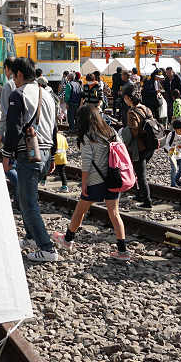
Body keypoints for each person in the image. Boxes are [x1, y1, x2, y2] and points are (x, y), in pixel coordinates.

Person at [51, 104, 130, 261]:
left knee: (80, 210)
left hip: (95, 181)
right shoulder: (111, 131)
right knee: (114, 213)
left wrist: (84, 183)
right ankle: (123, 251)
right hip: (114, 178)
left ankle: (67, 240)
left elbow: (87, 163)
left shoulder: (88, 136)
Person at [2, 56, 59, 263]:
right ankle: (31, 237)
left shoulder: (19, 94)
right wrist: (52, 156)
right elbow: (54, 128)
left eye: (13, 76)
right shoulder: (48, 95)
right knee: (27, 197)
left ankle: (47, 248)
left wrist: (6, 155)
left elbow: (14, 127)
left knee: (28, 203)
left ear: (18, 74)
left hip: (28, 153)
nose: (13, 80)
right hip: (44, 152)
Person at [120, 86, 156, 209]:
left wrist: (125, 132)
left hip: (139, 147)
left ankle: (147, 201)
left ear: (128, 98)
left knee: (140, 174)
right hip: (150, 145)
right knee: (139, 172)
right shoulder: (145, 108)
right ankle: (140, 195)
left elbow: (134, 131)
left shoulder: (132, 112)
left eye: (125, 98)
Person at [163, 119, 181, 187]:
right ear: (175, 129)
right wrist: (170, 149)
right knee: (174, 169)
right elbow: (166, 145)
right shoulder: (171, 134)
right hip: (172, 154)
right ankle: (173, 184)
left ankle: (177, 179)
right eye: (180, 130)